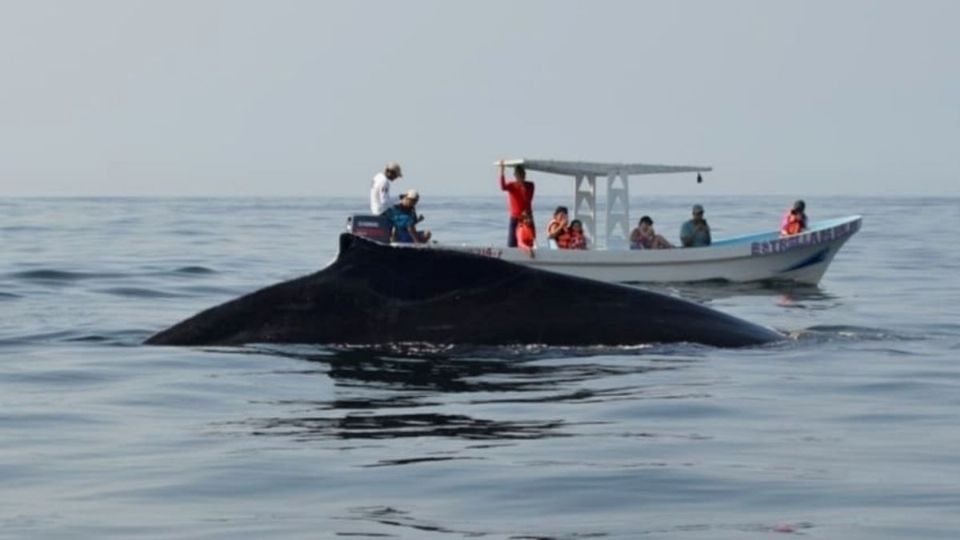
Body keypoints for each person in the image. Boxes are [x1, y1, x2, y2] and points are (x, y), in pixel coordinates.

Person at [499, 160, 535, 247]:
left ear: (524, 175)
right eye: (518, 174)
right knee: (512, 243)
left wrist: (523, 186)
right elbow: (502, 187)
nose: (520, 176)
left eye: (522, 174)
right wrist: (502, 171)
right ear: (515, 175)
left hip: (527, 218)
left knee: (529, 240)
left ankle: (529, 252)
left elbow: (528, 199)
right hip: (515, 218)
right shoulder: (512, 185)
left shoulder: (530, 185)